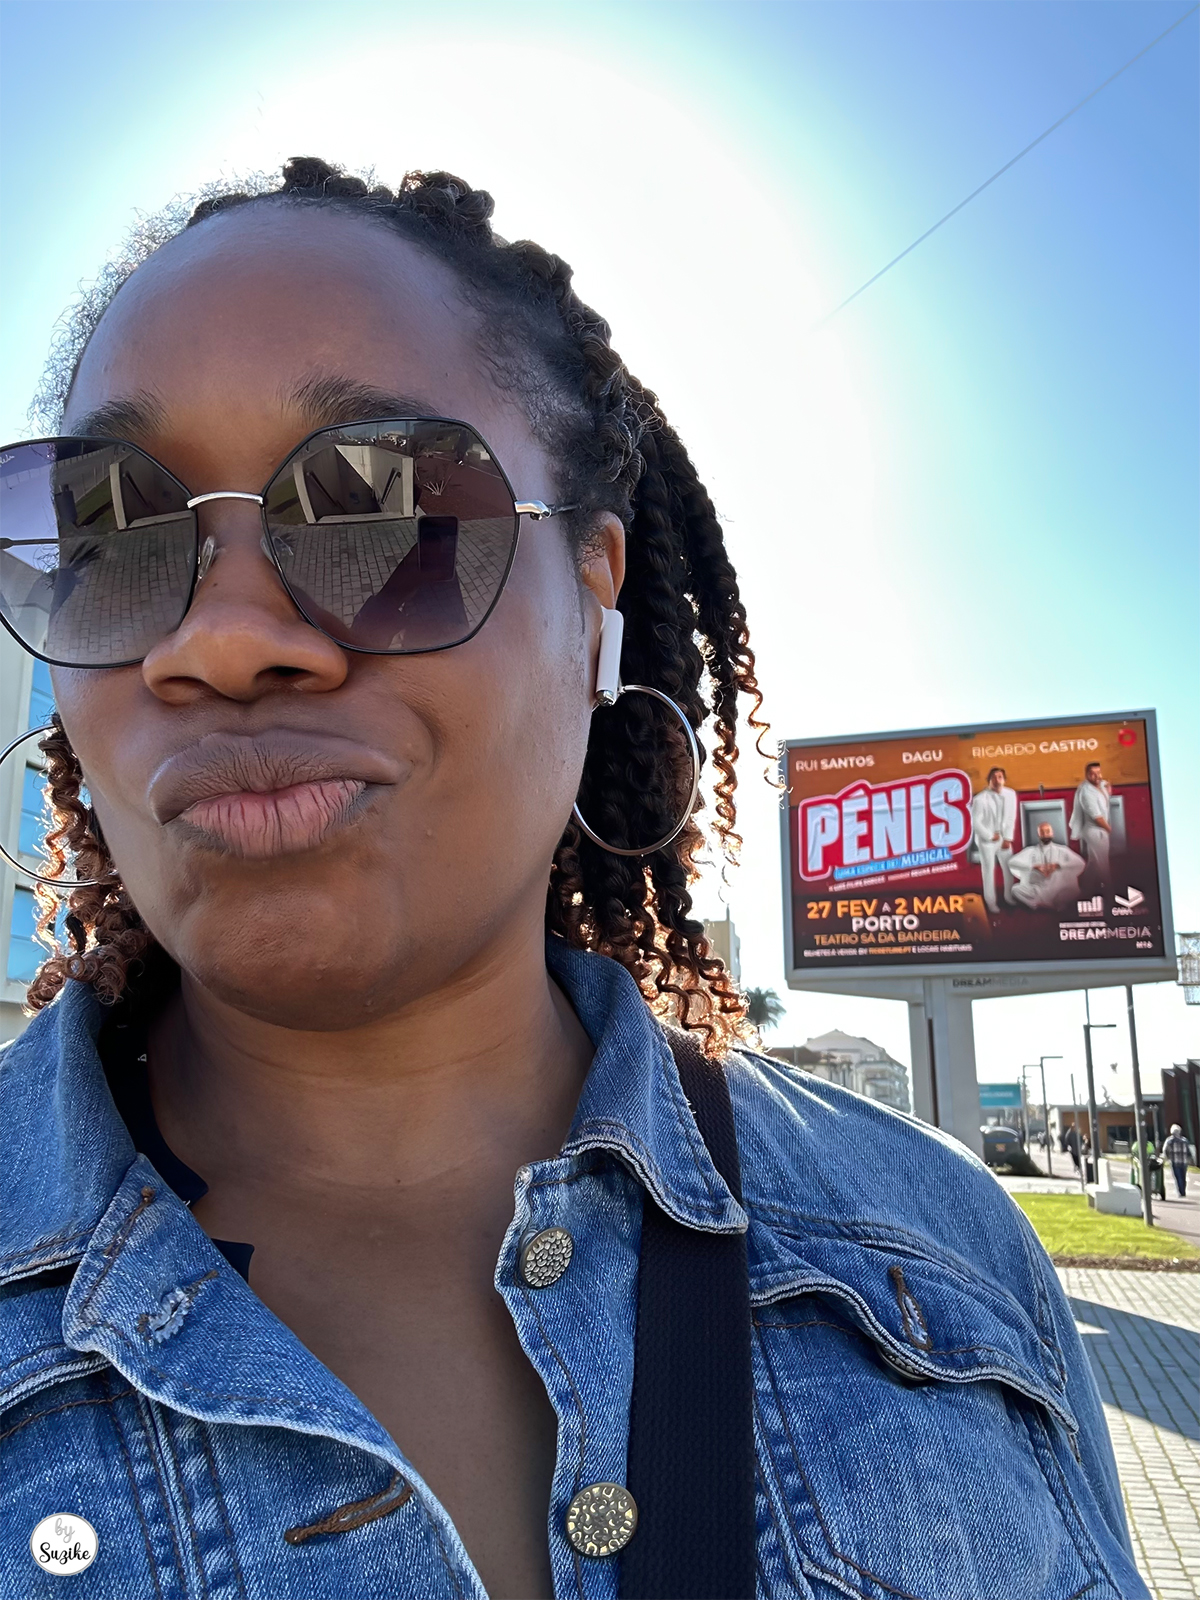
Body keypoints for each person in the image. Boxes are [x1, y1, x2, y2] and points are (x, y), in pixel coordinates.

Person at [0, 158, 1147, 1600]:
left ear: (594, 595)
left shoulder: (944, 1260)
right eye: (115, 530)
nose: (219, 641)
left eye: (379, 506)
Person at [1008, 822, 1087, 912]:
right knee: (1015, 889)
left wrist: (1058, 866)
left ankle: (1056, 904)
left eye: (1047, 831)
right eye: (1042, 832)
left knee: (1074, 891)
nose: (1045, 834)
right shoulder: (1030, 851)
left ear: (1052, 833)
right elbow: (1012, 862)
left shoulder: (1062, 850)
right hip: (1038, 890)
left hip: (1059, 889)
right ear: (1039, 834)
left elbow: (1080, 863)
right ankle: (1038, 905)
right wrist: (1034, 867)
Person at [970, 765, 1016, 913]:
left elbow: (1011, 817)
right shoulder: (979, 799)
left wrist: (1008, 837)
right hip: (987, 840)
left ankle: (1009, 897)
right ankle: (991, 902)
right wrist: (990, 836)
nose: (997, 780)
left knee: (1009, 868)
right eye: (994, 777)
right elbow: (975, 822)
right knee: (988, 871)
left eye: (1000, 777)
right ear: (989, 780)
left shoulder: (1010, 794)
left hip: (1004, 837)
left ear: (1004, 779)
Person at [1069, 761, 1113, 889]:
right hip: (1095, 830)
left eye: (1098, 773)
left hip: (1099, 830)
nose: (1096, 776)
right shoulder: (1086, 792)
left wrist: (1108, 786)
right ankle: (1110, 892)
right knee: (1103, 863)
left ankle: (1084, 889)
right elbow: (1096, 816)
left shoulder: (1100, 785)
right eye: (1092, 774)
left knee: (1094, 862)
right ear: (1087, 775)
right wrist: (1108, 829)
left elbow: (1105, 784)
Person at [1162, 1124, 1193, 1198]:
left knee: (1178, 1177)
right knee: (1183, 1176)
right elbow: (1189, 1151)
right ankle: (1183, 1191)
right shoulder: (1184, 1140)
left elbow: (1165, 1150)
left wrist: (1168, 1158)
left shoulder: (1169, 1140)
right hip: (1184, 1161)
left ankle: (1180, 1192)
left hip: (1174, 1161)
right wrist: (1190, 1159)